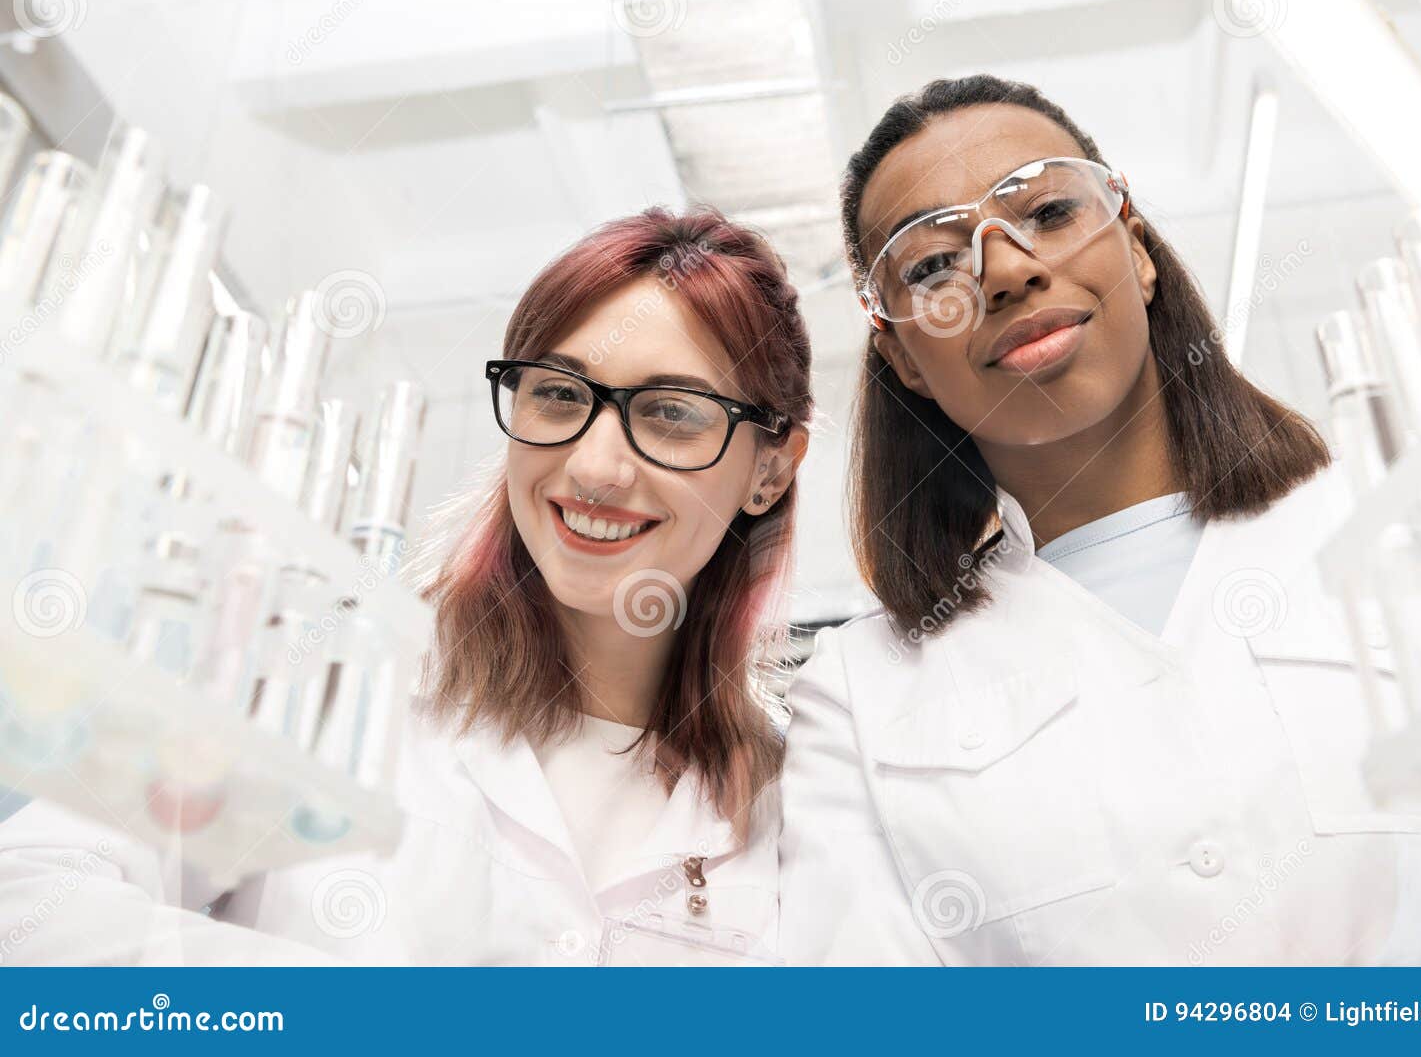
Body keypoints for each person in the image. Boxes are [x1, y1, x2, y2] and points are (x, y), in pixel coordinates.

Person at [777, 74, 1421, 965]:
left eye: (1049, 211)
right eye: (933, 264)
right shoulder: (858, 696)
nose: (1007, 269)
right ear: (902, 355)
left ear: (1137, 250)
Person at [0, 206, 812, 965]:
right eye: (560, 394)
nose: (595, 467)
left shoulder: (798, 800)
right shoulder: (316, 671)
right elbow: (30, 904)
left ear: (770, 470)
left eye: (672, 412)